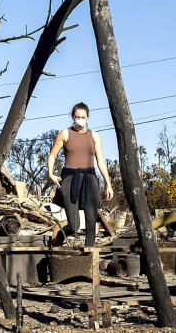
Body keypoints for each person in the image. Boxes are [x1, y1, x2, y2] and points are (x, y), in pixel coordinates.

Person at [47, 103, 114, 246]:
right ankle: (59, 238)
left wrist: (108, 184)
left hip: (89, 179)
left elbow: (101, 162)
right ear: (73, 117)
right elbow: (52, 155)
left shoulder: (94, 136)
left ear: (87, 117)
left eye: (83, 117)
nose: (80, 120)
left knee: (91, 222)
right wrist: (51, 174)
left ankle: (88, 258)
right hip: (70, 179)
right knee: (74, 225)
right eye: (77, 117)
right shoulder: (65, 133)